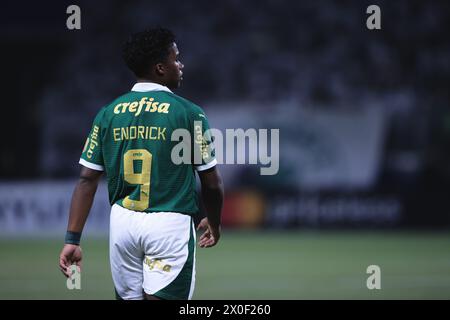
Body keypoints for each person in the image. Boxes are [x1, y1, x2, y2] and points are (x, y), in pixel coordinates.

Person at [58, 27, 224, 300]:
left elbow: (87, 179)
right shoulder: (189, 113)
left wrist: (72, 240)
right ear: (160, 68)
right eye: (175, 57)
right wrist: (215, 224)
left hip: (123, 224)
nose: (180, 64)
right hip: (169, 222)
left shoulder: (108, 113)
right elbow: (212, 183)